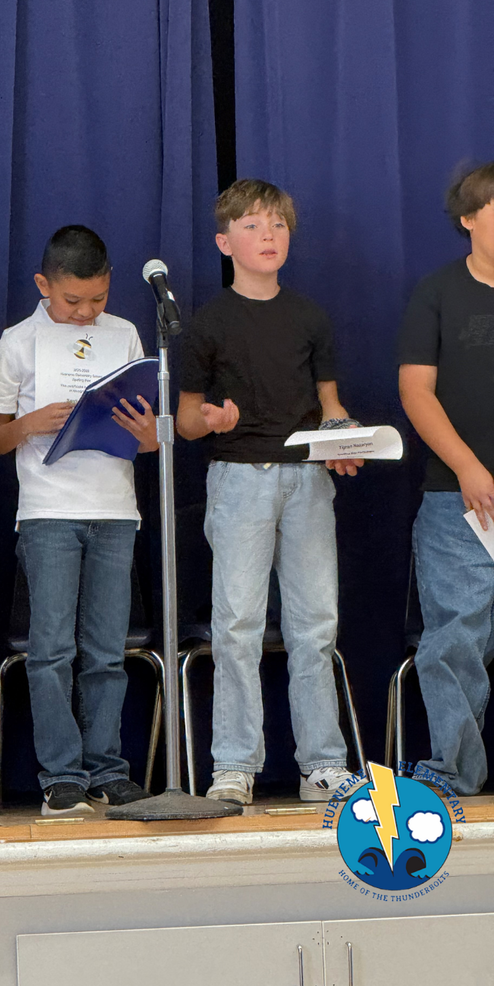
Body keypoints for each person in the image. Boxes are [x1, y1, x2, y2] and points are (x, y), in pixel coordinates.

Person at [177, 179, 362, 806]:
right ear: (226, 242)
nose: (268, 237)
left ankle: (322, 765)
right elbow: (184, 419)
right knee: (237, 623)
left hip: (307, 479)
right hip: (238, 481)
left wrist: (343, 440)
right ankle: (233, 764)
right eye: (253, 227)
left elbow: (329, 405)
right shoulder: (208, 323)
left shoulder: (309, 316)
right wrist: (213, 420)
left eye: (278, 226)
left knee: (315, 623)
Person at [0, 225, 157, 814]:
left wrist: (143, 432)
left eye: (98, 300)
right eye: (72, 302)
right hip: (49, 512)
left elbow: (146, 425)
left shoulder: (125, 333)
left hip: (114, 509)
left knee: (107, 650)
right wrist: (30, 424)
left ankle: (108, 766)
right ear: (42, 285)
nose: (86, 314)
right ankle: (62, 774)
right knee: (51, 648)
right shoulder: (18, 342)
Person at [399, 162, 494, 797]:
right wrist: (466, 464)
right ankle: (456, 774)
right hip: (457, 498)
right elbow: (415, 391)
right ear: (468, 220)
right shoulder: (437, 293)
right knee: (454, 640)